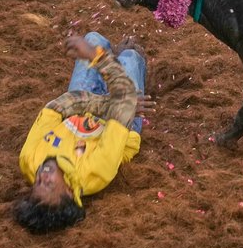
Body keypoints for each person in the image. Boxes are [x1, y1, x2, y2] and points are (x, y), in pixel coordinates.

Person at [15, 33, 147, 233]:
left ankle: (110, 63)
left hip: (81, 106)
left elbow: (55, 108)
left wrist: (110, 104)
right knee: (130, 57)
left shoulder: (28, 161)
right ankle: (123, 61)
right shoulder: (95, 171)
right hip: (121, 124)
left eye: (36, 185)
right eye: (49, 186)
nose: (42, 177)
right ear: (69, 192)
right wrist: (97, 57)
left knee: (93, 38)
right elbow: (126, 98)